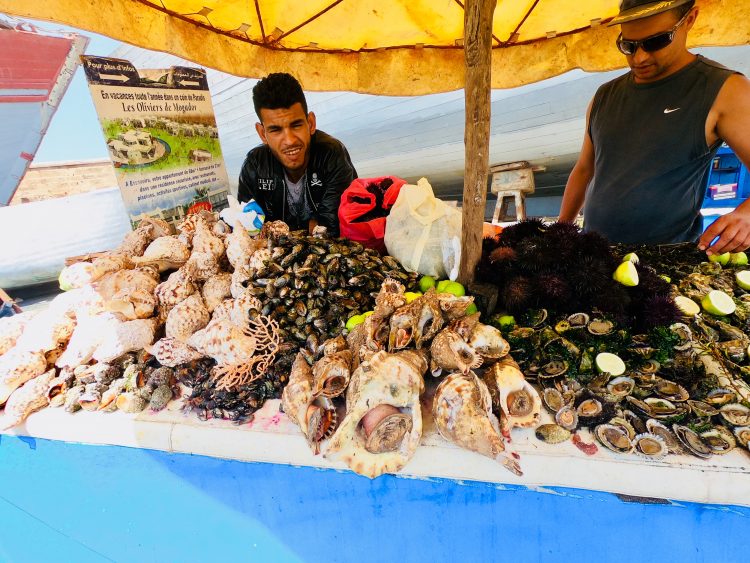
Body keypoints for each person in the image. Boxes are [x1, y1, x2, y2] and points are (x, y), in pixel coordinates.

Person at [559, 0, 750, 255]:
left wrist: (747, 214)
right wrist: (560, 232)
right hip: (595, 256)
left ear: (690, 19)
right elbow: (584, 169)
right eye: (628, 45)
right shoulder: (604, 96)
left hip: (665, 261)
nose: (639, 57)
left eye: (656, 41)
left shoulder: (726, 90)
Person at [238, 73, 357, 236]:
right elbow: (248, 228)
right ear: (262, 133)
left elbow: (332, 225)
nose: (289, 141)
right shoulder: (255, 165)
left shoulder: (331, 154)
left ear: (311, 123)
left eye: (296, 125)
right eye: (275, 130)